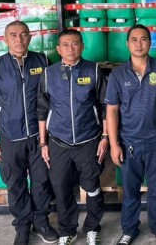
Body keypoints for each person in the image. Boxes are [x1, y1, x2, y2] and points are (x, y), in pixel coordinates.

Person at [0, 20, 59, 245]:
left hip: (40, 136)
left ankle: (41, 222)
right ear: (5, 39)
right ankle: (23, 226)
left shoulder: (43, 61)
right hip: (10, 136)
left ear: (30, 37)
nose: (19, 39)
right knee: (15, 183)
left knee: (42, 181)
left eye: (23, 34)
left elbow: (55, 96)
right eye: (13, 35)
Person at [105, 25, 156, 245]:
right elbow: (112, 110)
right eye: (134, 40)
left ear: (150, 42)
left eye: (144, 39)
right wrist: (114, 144)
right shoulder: (118, 74)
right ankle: (129, 229)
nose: (139, 43)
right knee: (130, 191)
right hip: (129, 143)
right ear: (127, 44)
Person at [38, 29, 109, 245]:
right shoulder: (48, 74)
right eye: (66, 45)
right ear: (58, 49)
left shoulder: (94, 70)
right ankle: (67, 230)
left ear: (83, 46)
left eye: (75, 43)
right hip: (58, 141)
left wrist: (105, 136)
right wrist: (43, 143)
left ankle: (93, 227)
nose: (71, 48)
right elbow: (42, 110)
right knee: (61, 188)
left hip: (89, 140)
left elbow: (105, 106)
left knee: (92, 186)